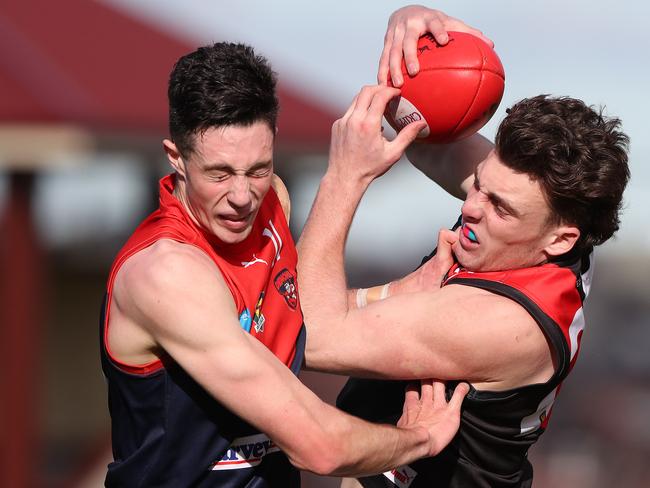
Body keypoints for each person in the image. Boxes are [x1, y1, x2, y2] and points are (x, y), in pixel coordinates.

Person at [99, 42, 471, 487]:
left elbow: (293, 313)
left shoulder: (270, 203)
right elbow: (320, 446)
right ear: (175, 158)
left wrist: (393, 291)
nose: (241, 197)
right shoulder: (166, 274)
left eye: (257, 169)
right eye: (219, 174)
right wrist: (421, 439)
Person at [296, 6, 631, 488]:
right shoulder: (536, 223)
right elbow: (427, 136)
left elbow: (309, 332)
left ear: (561, 240)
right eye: (480, 186)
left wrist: (343, 179)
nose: (472, 206)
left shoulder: (500, 322)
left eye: (499, 206)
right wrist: (411, 43)